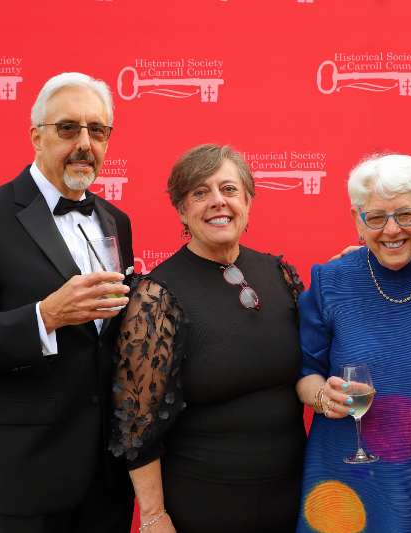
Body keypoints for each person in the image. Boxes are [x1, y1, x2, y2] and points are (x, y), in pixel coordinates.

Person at [0, 72, 135, 533]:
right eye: (68, 128)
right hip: (19, 479)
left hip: (105, 480)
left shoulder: (115, 221)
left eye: (97, 130)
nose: (84, 143)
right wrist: (46, 317)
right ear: (36, 137)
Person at [109, 144, 306, 533]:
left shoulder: (279, 274)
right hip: (205, 505)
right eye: (200, 192)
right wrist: (153, 516)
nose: (218, 201)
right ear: (182, 210)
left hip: (295, 502)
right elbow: (135, 423)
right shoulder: (156, 296)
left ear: (248, 200)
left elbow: (317, 362)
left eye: (229, 189)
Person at [295, 154, 411, 533]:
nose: (392, 230)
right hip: (352, 473)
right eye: (376, 218)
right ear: (357, 220)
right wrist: (322, 397)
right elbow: (305, 373)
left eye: (405, 215)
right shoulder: (331, 280)